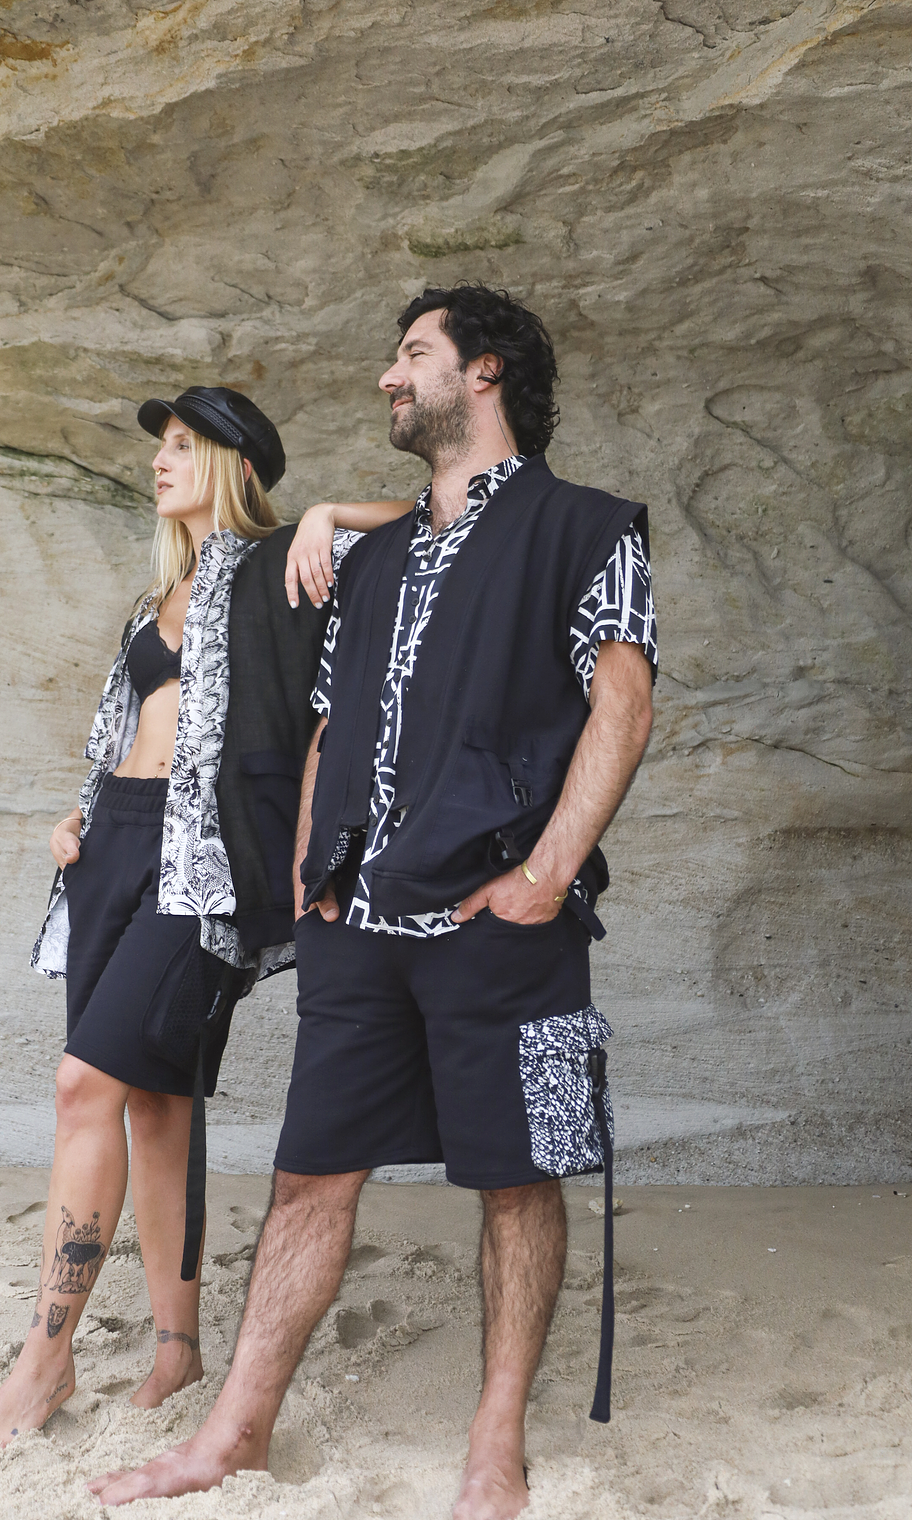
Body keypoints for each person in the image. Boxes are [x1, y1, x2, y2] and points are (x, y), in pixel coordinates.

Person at [87, 284, 657, 1519]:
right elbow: (328, 723)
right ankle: (235, 1431)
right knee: (309, 1176)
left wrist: (548, 873)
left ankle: (495, 1443)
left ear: (485, 371)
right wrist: (310, 877)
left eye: (413, 354)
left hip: (505, 926)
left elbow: (622, 700)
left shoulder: (588, 527)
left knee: (521, 1178)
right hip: (355, 924)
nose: (391, 378)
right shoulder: (375, 556)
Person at [0, 386, 408, 1450]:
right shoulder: (156, 596)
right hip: (113, 844)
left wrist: (331, 513)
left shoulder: (290, 563)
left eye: (185, 445)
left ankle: (43, 1361)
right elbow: (131, 731)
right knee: (152, 1101)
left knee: (81, 1086)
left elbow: (436, 517)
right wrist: (79, 810)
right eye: (160, 446)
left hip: (204, 866)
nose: (161, 460)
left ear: (237, 465)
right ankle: (176, 1345)